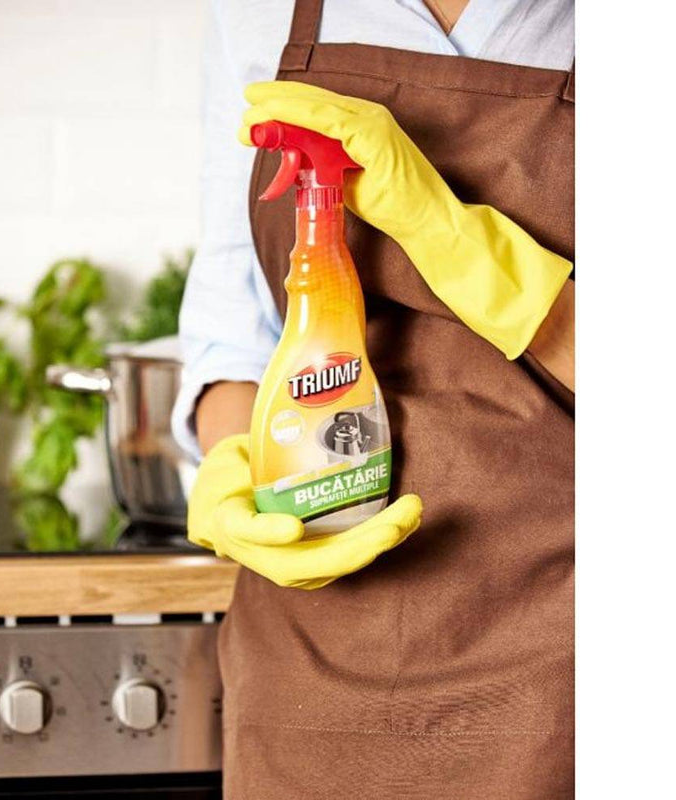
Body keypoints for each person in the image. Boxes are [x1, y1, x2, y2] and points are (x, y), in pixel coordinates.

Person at [174, 1, 574, 797]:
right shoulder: (257, 12)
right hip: (309, 664)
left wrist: (456, 240)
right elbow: (236, 340)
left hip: (573, 651)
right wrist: (236, 462)